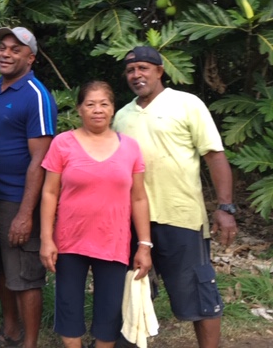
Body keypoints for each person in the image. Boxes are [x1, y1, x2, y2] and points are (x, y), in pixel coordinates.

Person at [113, 46, 237, 348]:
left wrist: (225, 207)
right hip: (134, 221)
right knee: (135, 292)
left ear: (159, 71)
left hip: (181, 216)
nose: (136, 75)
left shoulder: (187, 104)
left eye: (143, 68)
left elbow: (215, 155)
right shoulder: (120, 116)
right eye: (130, 70)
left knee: (197, 292)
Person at [39, 81, 152, 348]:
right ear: (79, 109)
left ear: (113, 109)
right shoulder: (62, 143)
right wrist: (46, 239)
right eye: (90, 104)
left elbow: (138, 197)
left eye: (104, 104)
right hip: (70, 241)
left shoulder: (130, 148)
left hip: (113, 240)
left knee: (109, 309)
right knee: (68, 305)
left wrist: (144, 245)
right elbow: (49, 193)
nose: (97, 110)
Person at [0, 27, 58, 348]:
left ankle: (29, 343)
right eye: (2, 47)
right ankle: (10, 333)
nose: (5, 53)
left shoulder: (36, 95)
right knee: (1, 270)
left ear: (30, 57)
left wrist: (26, 213)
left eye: (15, 49)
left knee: (26, 276)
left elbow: (41, 159)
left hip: (17, 199)